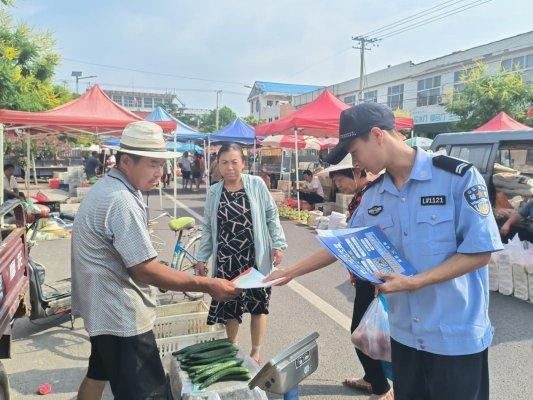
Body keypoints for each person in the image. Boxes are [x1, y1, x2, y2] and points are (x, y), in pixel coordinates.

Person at [266, 103, 503, 400]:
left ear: (377, 135)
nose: (356, 163)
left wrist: (415, 282)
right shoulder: (374, 195)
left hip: (454, 338)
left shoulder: (457, 178)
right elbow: (346, 243)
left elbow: (481, 251)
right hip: (405, 337)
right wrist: (291, 272)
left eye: (355, 152)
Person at [72, 121, 240, 400]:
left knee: (97, 374)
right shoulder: (121, 200)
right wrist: (207, 284)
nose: (160, 173)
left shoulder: (111, 188)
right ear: (126, 161)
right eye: (152, 164)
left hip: (101, 308)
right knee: (148, 393)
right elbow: (145, 270)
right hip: (121, 315)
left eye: (162, 165)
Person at [195, 143, 287, 365]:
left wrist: (278, 244)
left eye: (234, 162)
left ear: (243, 164)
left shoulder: (256, 185)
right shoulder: (215, 191)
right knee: (230, 307)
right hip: (226, 257)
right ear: (218, 165)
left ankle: (256, 351)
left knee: (258, 304)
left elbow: (271, 215)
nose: (230, 168)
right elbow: (208, 227)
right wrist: (201, 257)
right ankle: (233, 348)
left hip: (254, 257)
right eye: (224, 163)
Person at [329, 167, 391, 396]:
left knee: (361, 332)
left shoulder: (371, 195)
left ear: (357, 173)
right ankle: (370, 377)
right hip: (365, 275)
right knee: (369, 329)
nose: (339, 186)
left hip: (374, 277)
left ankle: (381, 387)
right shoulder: (361, 196)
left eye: (340, 180)